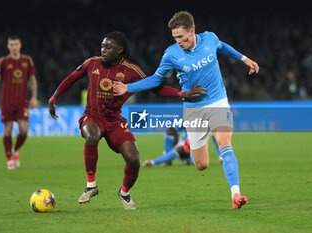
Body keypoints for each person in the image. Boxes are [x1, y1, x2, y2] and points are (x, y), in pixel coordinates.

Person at [113, 11, 259, 209]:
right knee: (202, 165)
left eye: (181, 36)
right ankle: (191, 142)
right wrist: (128, 87)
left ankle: (236, 194)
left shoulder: (209, 38)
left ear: (192, 31)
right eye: (175, 37)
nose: (178, 41)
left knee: (225, 144)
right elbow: (156, 79)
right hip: (194, 109)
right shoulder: (171, 54)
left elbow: (222, 47)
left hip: (218, 101)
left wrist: (244, 59)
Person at [48, 31, 203, 210]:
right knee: (92, 136)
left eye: (108, 47)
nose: (103, 50)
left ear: (120, 50)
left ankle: (124, 192)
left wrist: (181, 93)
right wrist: (53, 98)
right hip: (92, 116)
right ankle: (91, 185)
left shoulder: (131, 70)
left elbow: (154, 87)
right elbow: (71, 78)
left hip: (115, 121)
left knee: (133, 159)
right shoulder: (91, 64)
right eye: (102, 46)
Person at [0, 35, 38, 170]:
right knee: (8, 129)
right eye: (11, 44)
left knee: (24, 130)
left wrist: (34, 96)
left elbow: (32, 80)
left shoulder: (27, 61)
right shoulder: (3, 62)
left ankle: (15, 150)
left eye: (16, 44)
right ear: (8, 46)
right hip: (7, 101)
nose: (14, 46)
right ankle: (9, 158)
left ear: (20, 45)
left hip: (22, 102)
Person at [144, 127, 223, 167]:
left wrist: (221, 156)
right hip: (184, 143)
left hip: (193, 148)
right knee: (169, 133)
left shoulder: (207, 122)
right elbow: (177, 129)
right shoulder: (189, 118)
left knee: (181, 149)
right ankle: (167, 159)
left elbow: (215, 138)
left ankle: (153, 162)